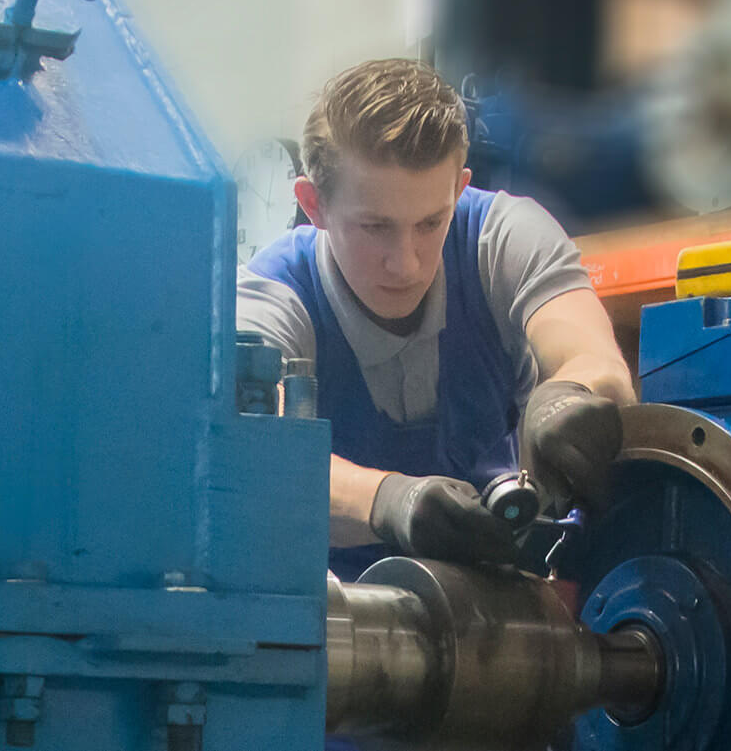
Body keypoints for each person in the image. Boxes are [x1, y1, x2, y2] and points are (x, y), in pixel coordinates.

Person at [237, 58, 634, 580]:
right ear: (314, 204)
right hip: (336, 619)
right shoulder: (268, 299)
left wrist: (571, 397)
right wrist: (390, 502)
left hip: (508, 606)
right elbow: (249, 456)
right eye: (375, 227)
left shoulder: (504, 237)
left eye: (430, 223)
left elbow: (597, 362)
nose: (406, 262)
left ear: (459, 186)